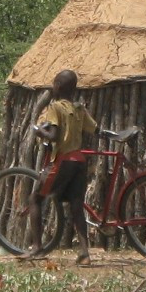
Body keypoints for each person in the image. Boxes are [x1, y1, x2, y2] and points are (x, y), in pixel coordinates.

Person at [32, 68, 99, 262]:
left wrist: (39, 132)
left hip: (63, 161)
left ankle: (37, 247)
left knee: (35, 198)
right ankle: (85, 253)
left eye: (54, 83)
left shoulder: (55, 108)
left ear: (58, 86)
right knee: (77, 206)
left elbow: (53, 136)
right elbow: (95, 129)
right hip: (79, 162)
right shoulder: (79, 108)